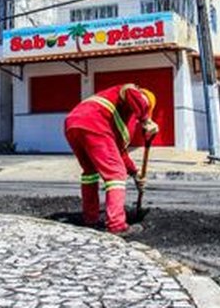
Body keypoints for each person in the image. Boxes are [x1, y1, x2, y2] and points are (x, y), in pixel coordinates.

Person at [64, 84, 159, 234]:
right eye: (144, 106)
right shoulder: (130, 93)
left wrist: (135, 173)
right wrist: (146, 120)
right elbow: (129, 91)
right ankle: (116, 225)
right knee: (115, 174)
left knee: (90, 172)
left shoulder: (122, 118)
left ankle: (90, 219)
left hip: (73, 123)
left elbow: (118, 152)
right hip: (94, 122)